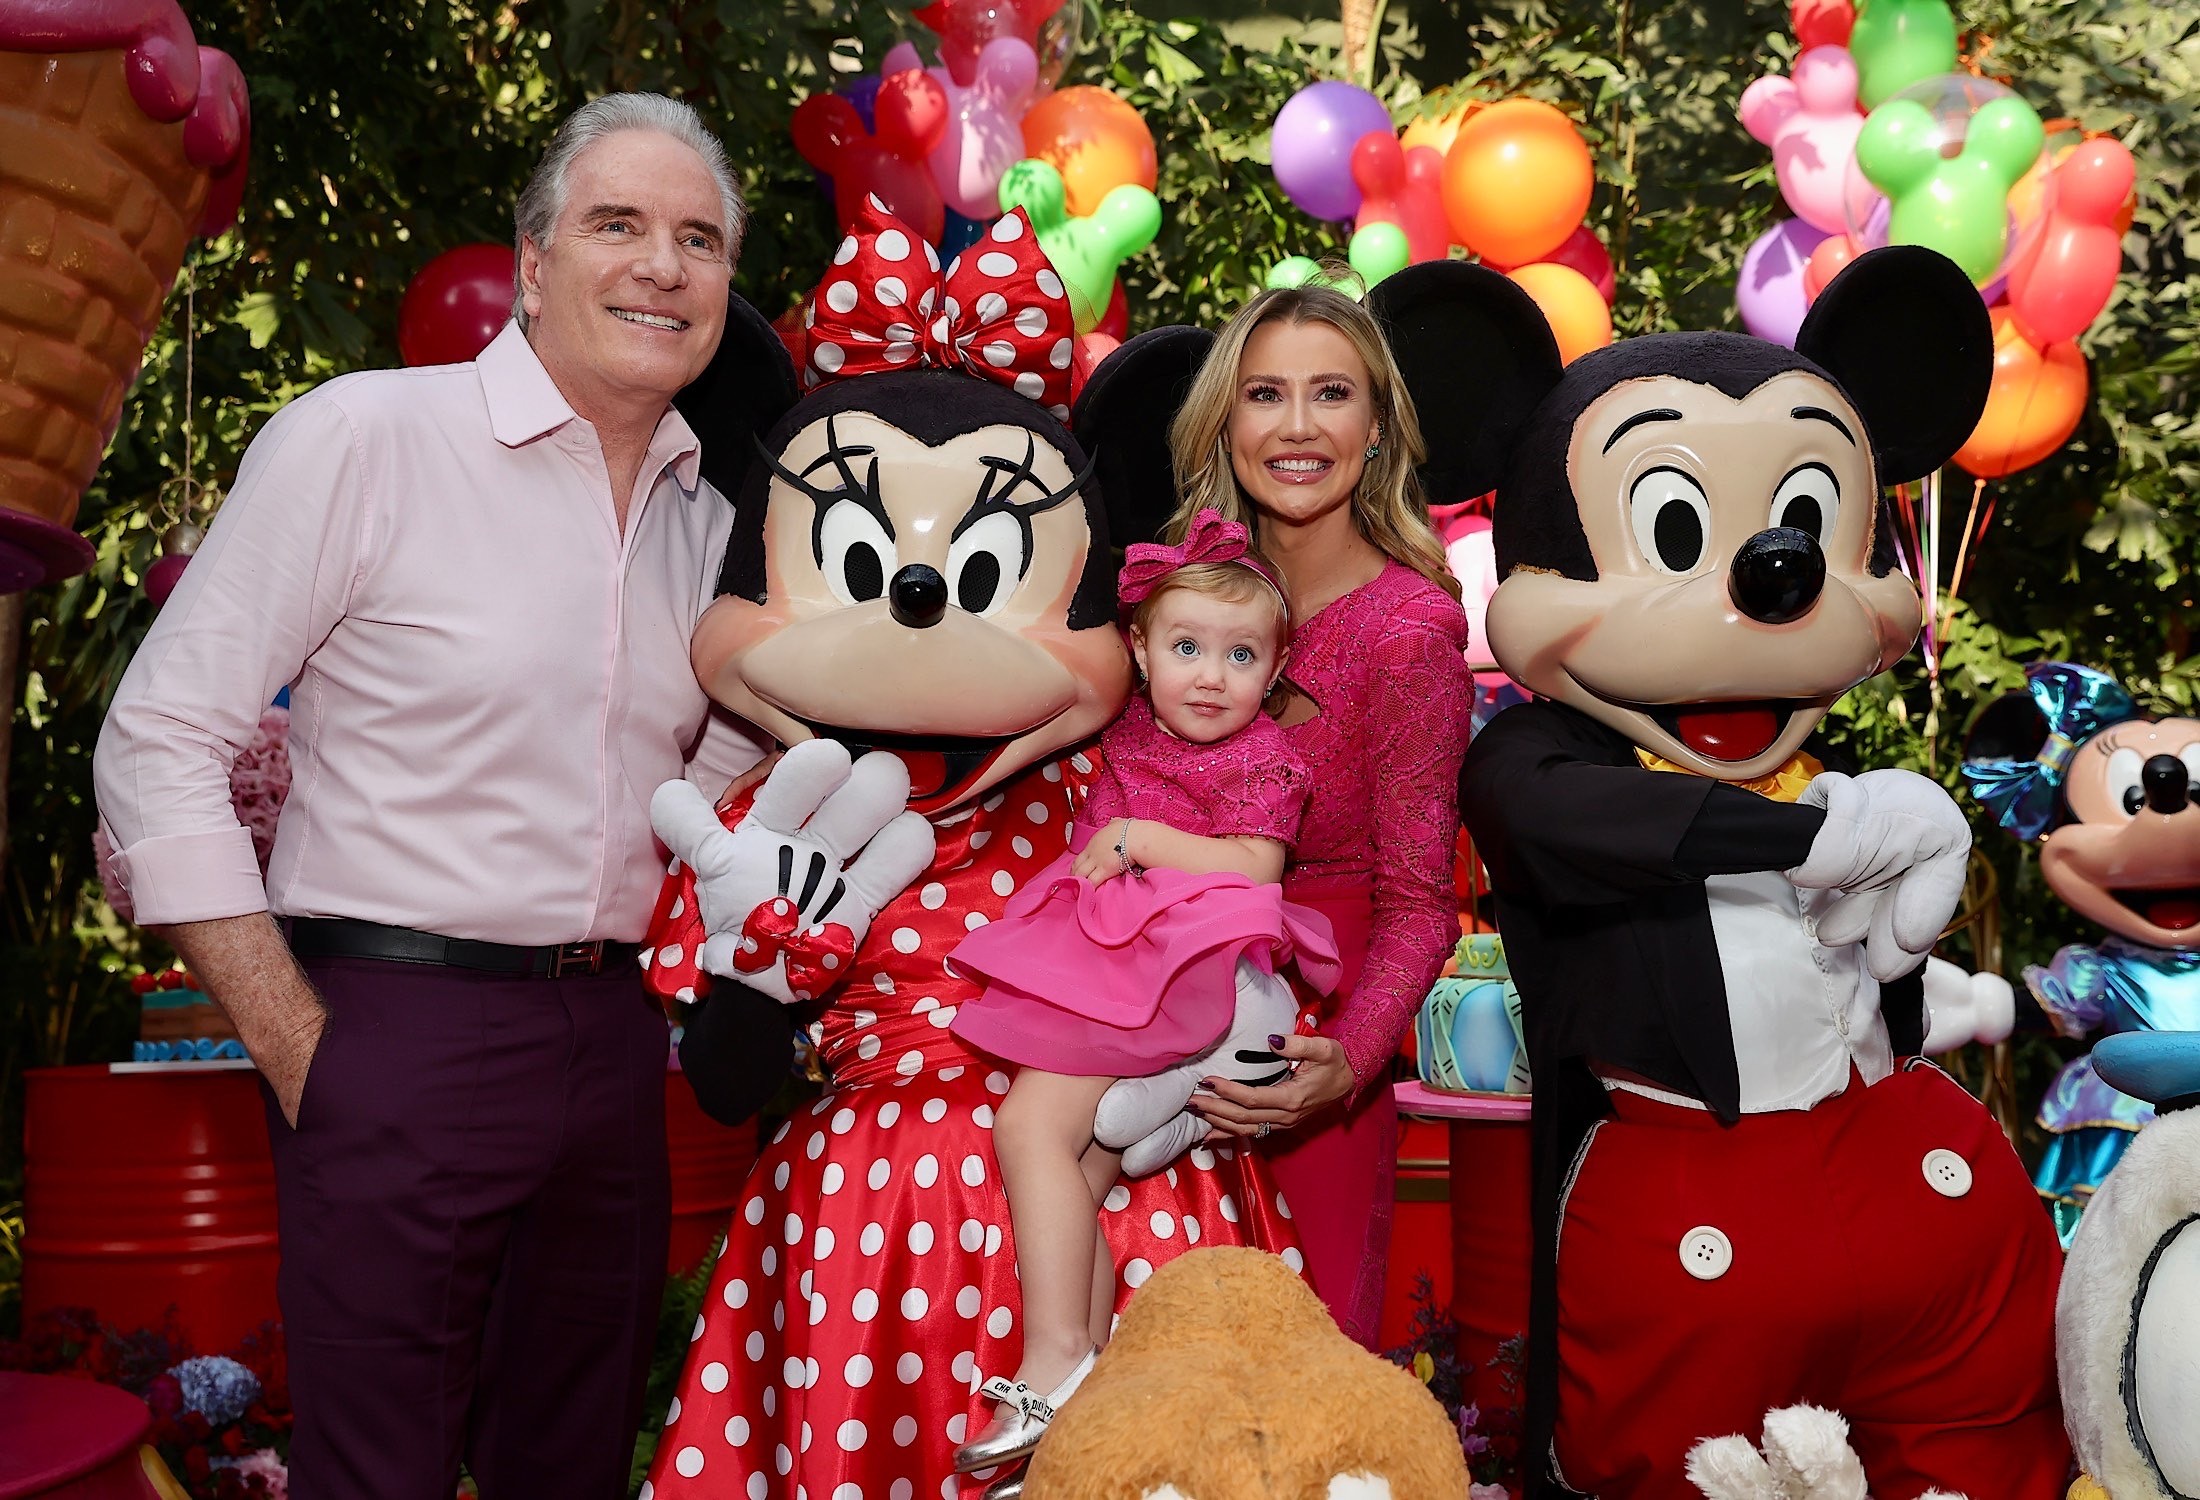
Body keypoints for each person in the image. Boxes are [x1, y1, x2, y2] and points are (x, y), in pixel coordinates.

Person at [92, 94, 766, 1500]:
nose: (663, 265)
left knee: (569, 1464)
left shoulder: (717, 526)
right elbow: (157, 737)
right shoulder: (366, 438)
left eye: (699, 240)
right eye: (619, 225)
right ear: (531, 262)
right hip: (391, 1028)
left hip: (612, 1040)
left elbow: (702, 786)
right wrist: (293, 1040)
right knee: (377, 1474)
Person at [944, 510, 1341, 1471]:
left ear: (1274, 670)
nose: (1212, 675)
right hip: (1120, 957)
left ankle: (1053, 1356)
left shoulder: (1265, 760)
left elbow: (1256, 868)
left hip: (1187, 969)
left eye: (1241, 655)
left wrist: (1142, 844)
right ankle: (1073, 1391)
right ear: (1140, 648)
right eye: (1187, 647)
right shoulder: (1129, 733)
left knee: (1027, 1127)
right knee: (1080, 1168)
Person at [1167, 284, 1476, 1347]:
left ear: (1376, 426)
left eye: (1330, 393)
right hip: (1151, 1025)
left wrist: (1349, 1059)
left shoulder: (1407, 633)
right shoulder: (1174, 598)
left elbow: (1419, 900)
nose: (1297, 427)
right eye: (1265, 394)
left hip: (1305, 1054)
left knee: (1301, 1378)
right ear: (1225, 423)